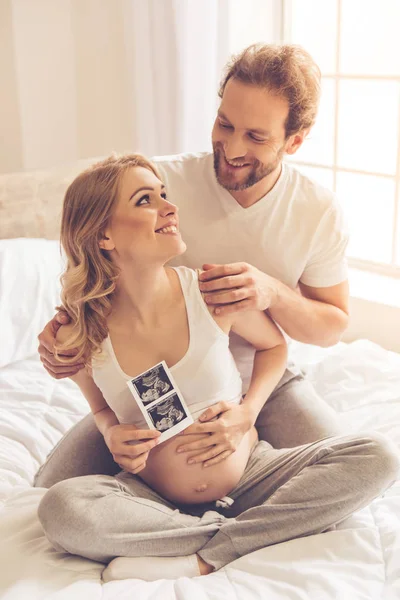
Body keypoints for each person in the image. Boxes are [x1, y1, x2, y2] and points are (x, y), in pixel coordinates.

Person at [37, 152, 400, 583]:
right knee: (59, 507)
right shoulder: (80, 333)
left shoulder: (208, 292)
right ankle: (239, 532)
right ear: (103, 235)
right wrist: (111, 433)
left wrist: (248, 410)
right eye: (144, 200)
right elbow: (100, 411)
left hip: (251, 474)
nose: (169, 207)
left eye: (165, 195)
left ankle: (205, 557)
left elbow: (273, 347)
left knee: (377, 455)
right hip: (150, 498)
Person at [37, 43, 349, 486]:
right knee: (51, 489)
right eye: (225, 124)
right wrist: (61, 340)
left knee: (339, 470)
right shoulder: (160, 183)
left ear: (294, 141)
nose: (233, 147)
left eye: (256, 137)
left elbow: (332, 326)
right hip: (156, 380)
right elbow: (93, 260)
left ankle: (224, 502)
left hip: (263, 378)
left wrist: (272, 293)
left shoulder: (317, 211)